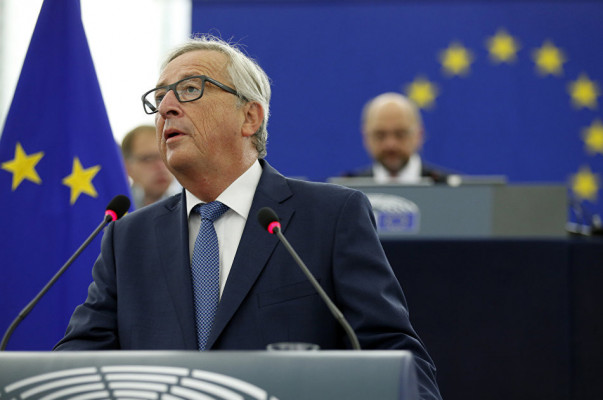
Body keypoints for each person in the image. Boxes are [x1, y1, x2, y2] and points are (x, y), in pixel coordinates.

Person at [54, 35, 442, 399]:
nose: (167, 107)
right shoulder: (128, 238)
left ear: (250, 117)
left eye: (190, 89)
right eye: (159, 98)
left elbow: (393, 356)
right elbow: (75, 365)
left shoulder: (331, 217)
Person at [343, 92, 449, 184]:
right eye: (380, 135)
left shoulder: (449, 188)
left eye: (400, 134)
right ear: (365, 137)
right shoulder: (349, 192)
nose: (390, 144)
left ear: (419, 135)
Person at [121, 124, 180, 208]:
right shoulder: (120, 207)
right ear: (127, 167)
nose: (161, 166)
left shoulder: (192, 200)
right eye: (148, 159)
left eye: (164, 155)